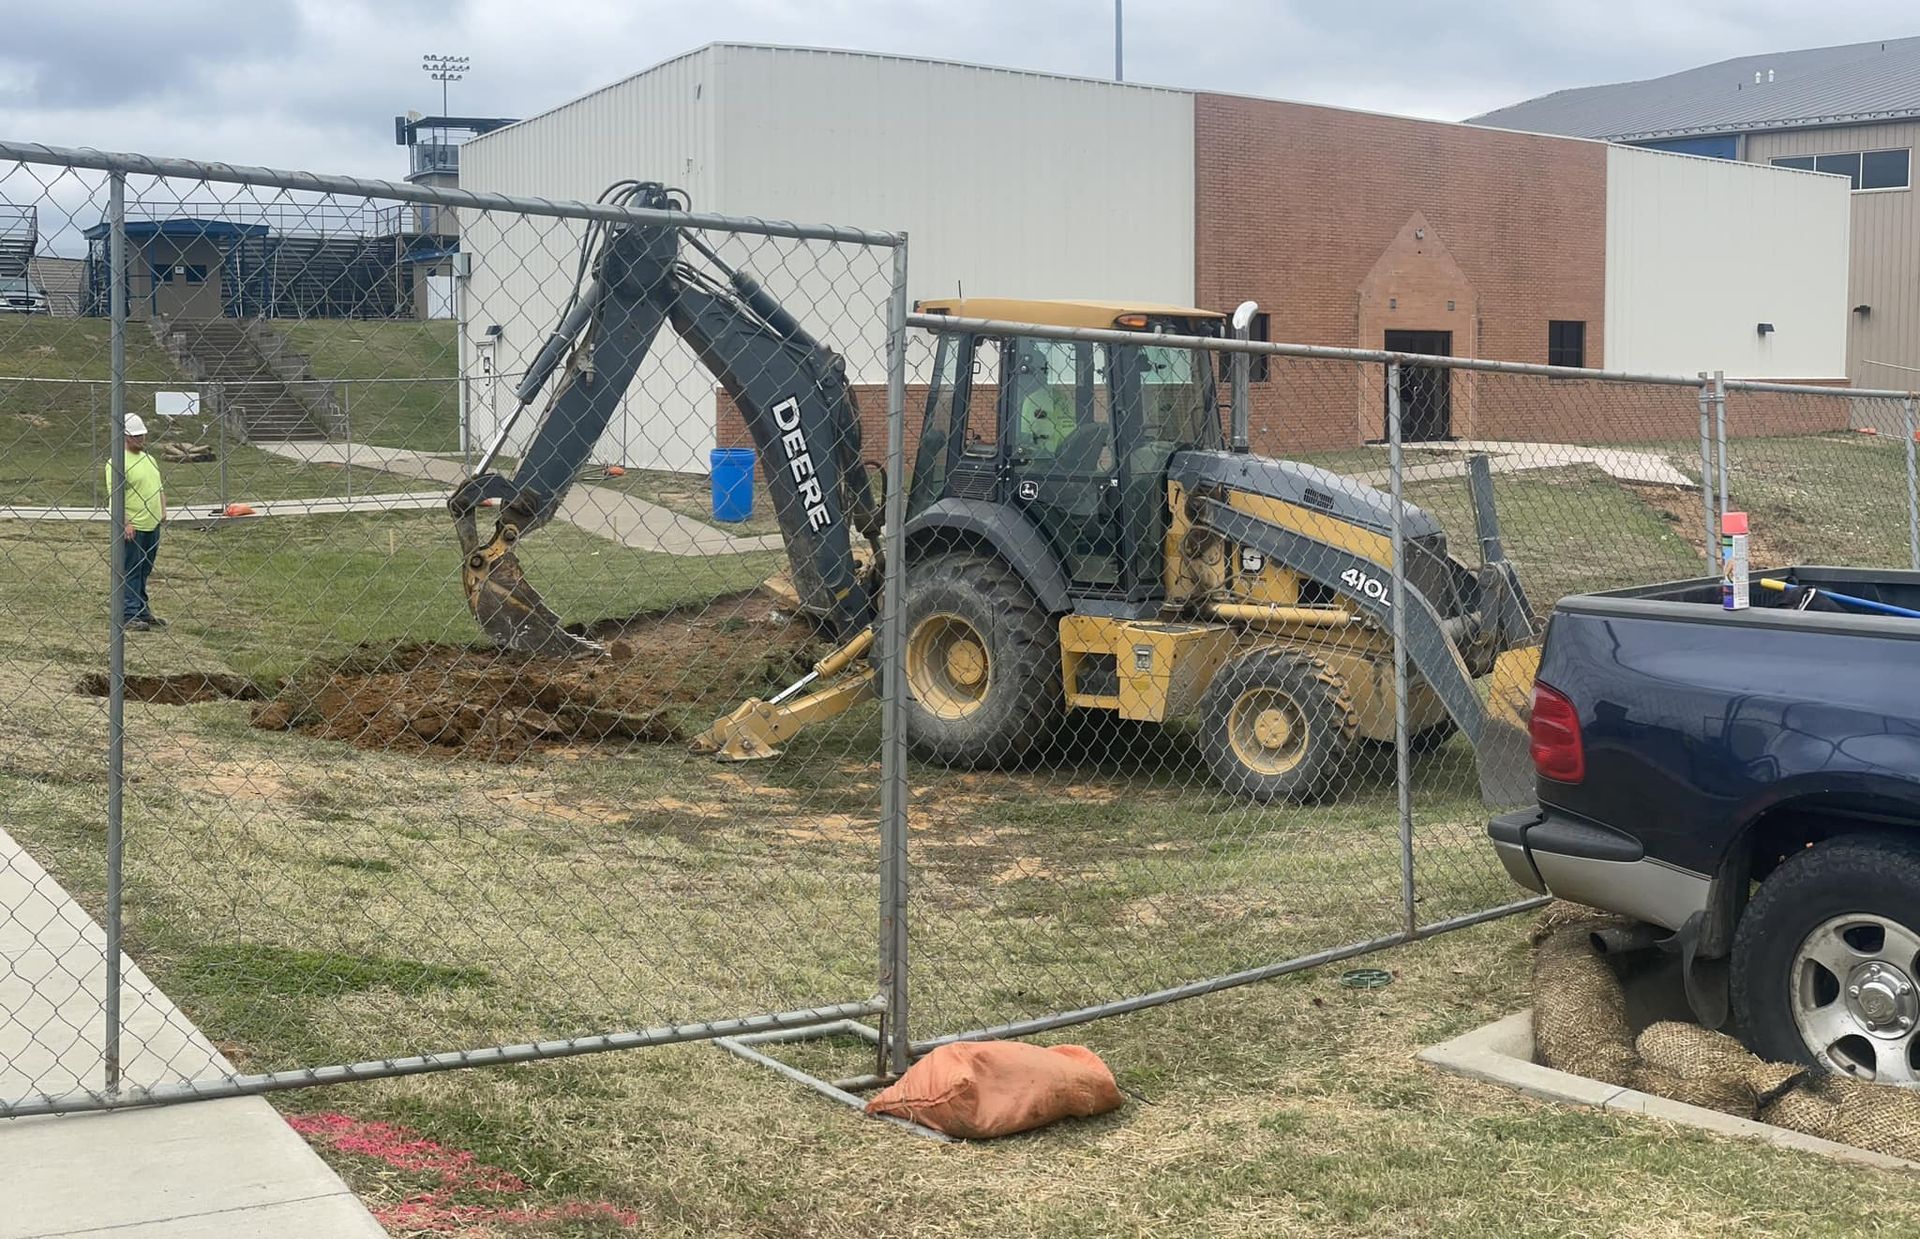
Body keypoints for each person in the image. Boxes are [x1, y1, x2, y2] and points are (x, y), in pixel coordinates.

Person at [106, 413, 166, 631]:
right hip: (135, 526)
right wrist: (125, 522)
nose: (140, 440)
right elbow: (116, 496)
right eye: (135, 436)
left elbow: (158, 487)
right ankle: (129, 613)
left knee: (144, 569)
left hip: (152, 524)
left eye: (142, 436)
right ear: (124, 437)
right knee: (131, 569)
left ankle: (142, 610)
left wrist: (163, 510)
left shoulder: (150, 459)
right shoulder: (116, 462)